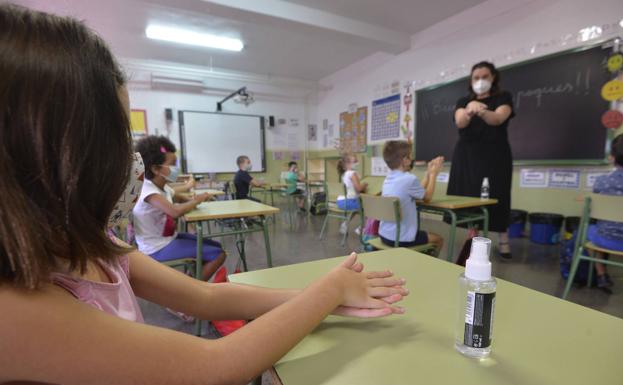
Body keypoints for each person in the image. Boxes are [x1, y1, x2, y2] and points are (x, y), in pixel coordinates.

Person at [0, 5, 408, 384]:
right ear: (47, 157)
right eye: (117, 137)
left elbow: (208, 296)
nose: (131, 159)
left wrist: (318, 299)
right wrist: (328, 291)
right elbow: (215, 364)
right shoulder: (13, 312)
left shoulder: (99, 248)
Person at [133, 135, 226, 282]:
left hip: (168, 239)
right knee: (218, 254)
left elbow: (177, 196)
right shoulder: (148, 190)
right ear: (156, 169)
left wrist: (190, 199)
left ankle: (188, 283)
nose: (176, 168)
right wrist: (197, 200)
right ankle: (192, 293)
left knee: (215, 246)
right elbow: (174, 211)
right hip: (155, 249)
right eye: (173, 164)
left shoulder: (162, 187)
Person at [448, 61, 515, 259]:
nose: (480, 81)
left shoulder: (504, 97)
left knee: (498, 194)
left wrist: (481, 110)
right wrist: (470, 109)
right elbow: (460, 122)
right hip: (467, 156)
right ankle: (473, 238)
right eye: (476, 78)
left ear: (493, 77)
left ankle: (503, 240)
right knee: (469, 194)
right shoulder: (463, 100)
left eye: (484, 77)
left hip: (496, 155)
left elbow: (498, 119)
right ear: (471, 80)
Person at [379, 140, 444, 254]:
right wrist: (434, 175)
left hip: (385, 234)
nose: (411, 159)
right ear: (405, 161)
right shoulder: (409, 179)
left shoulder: (388, 179)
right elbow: (427, 197)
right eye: (410, 156)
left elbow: (419, 191)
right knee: (438, 240)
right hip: (400, 237)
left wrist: (428, 174)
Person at [588, 134, 623, 290]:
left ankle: (601, 274)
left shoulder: (601, 181)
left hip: (604, 239)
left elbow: (592, 210)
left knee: (588, 230)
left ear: (612, 157)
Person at [337, 154, 368, 234]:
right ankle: (362, 228)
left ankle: (345, 224)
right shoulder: (352, 173)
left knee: (357, 207)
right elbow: (358, 189)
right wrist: (364, 185)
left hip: (341, 202)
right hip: (349, 201)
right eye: (354, 161)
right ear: (347, 164)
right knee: (369, 208)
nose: (357, 163)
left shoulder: (344, 174)